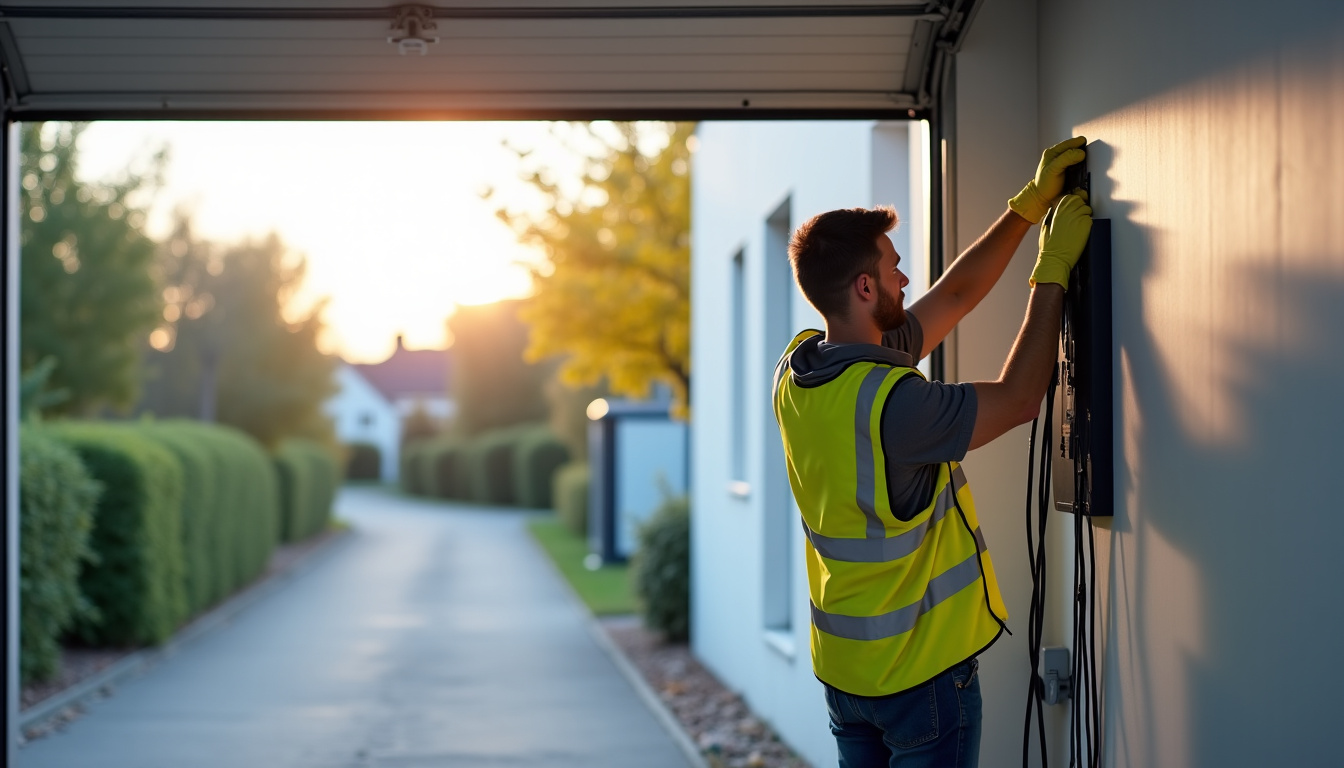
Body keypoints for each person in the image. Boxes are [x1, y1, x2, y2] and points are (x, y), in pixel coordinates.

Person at [772, 137, 1093, 768]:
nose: (906, 278)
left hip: (845, 676)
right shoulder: (896, 403)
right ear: (866, 286)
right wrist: (1051, 271)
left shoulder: (801, 371)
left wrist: (1026, 208)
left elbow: (954, 296)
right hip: (917, 677)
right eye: (894, 268)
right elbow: (1020, 398)